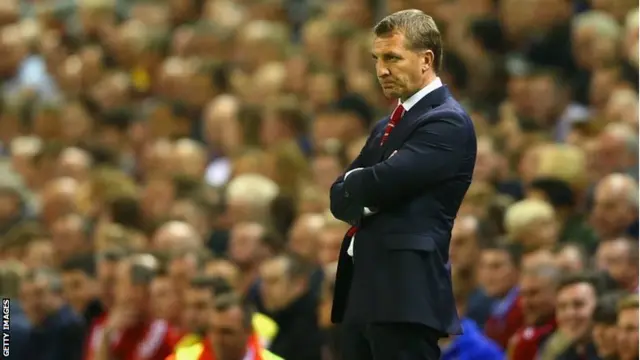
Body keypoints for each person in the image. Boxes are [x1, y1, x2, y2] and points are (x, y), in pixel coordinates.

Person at [329, 9, 476, 360]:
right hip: (364, 289)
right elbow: (338, 195)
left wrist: (361, 184)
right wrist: (361, 185)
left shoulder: (446, 122)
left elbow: (381, 182)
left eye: (392, 57)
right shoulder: (386, 125)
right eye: (377, 59)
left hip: (404, 293)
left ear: (426, 60)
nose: (382, 69)